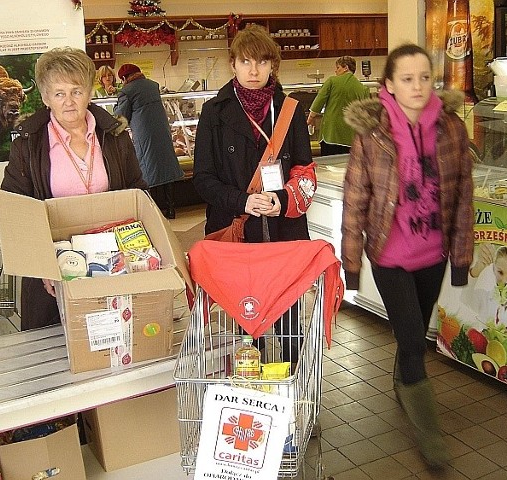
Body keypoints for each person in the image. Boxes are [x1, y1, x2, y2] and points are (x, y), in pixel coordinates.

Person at [341, 44, 474, 469]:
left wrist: (460, 258)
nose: (417, 87)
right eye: (406, 79)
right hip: (390, 255)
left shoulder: (451, 128)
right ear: (388, 86)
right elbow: (355, 198)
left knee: (413, 334)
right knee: (415, 339)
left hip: (433, 254)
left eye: (424, 78)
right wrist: (352, 261)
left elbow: (463, 196)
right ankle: (430, 435)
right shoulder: (372, 133)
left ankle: (403, 381)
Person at [193, 24, 317, 364]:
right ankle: (252, 399)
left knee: (290, 322)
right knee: (247, 323)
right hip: (236, 229)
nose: (253, 70)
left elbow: (304, 169)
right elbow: (202, 179)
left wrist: (284, 199)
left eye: (262, 63)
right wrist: (242, 201)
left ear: (272, 66)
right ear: (233, 64)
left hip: (283, 232)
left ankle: (295, 396)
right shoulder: (214, 113)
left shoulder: (290, 110)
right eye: (245, 61)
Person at [0, 47, 147, 331]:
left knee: (114, 341)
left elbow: (138, 192)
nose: (69, 102)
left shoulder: (115, 136)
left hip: (113, 263)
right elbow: (12, 209)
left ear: (89, 92)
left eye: (76, 91)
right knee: (58, 350)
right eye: (58, 93)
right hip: (54, 270)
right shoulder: (28, 145)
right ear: (45, 98)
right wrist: (42, 266)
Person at [115, 63, 184, 219]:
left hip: (144, 133)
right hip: (162, 129)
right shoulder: (153, 85)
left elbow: (121, 117)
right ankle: (171, 209)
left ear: (125, 78)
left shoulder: (126, 91)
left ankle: (153, 211)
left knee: (147, 169)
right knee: (166, 166)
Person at [307, 56, 370, 156]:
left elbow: (319, 100)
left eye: (338, 68)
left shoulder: (332, 81)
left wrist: (311, 118)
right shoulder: (363, 88)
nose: (335, 71)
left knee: (329, 167)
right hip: (351, 137)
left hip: (331, 135)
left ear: (346, 68)